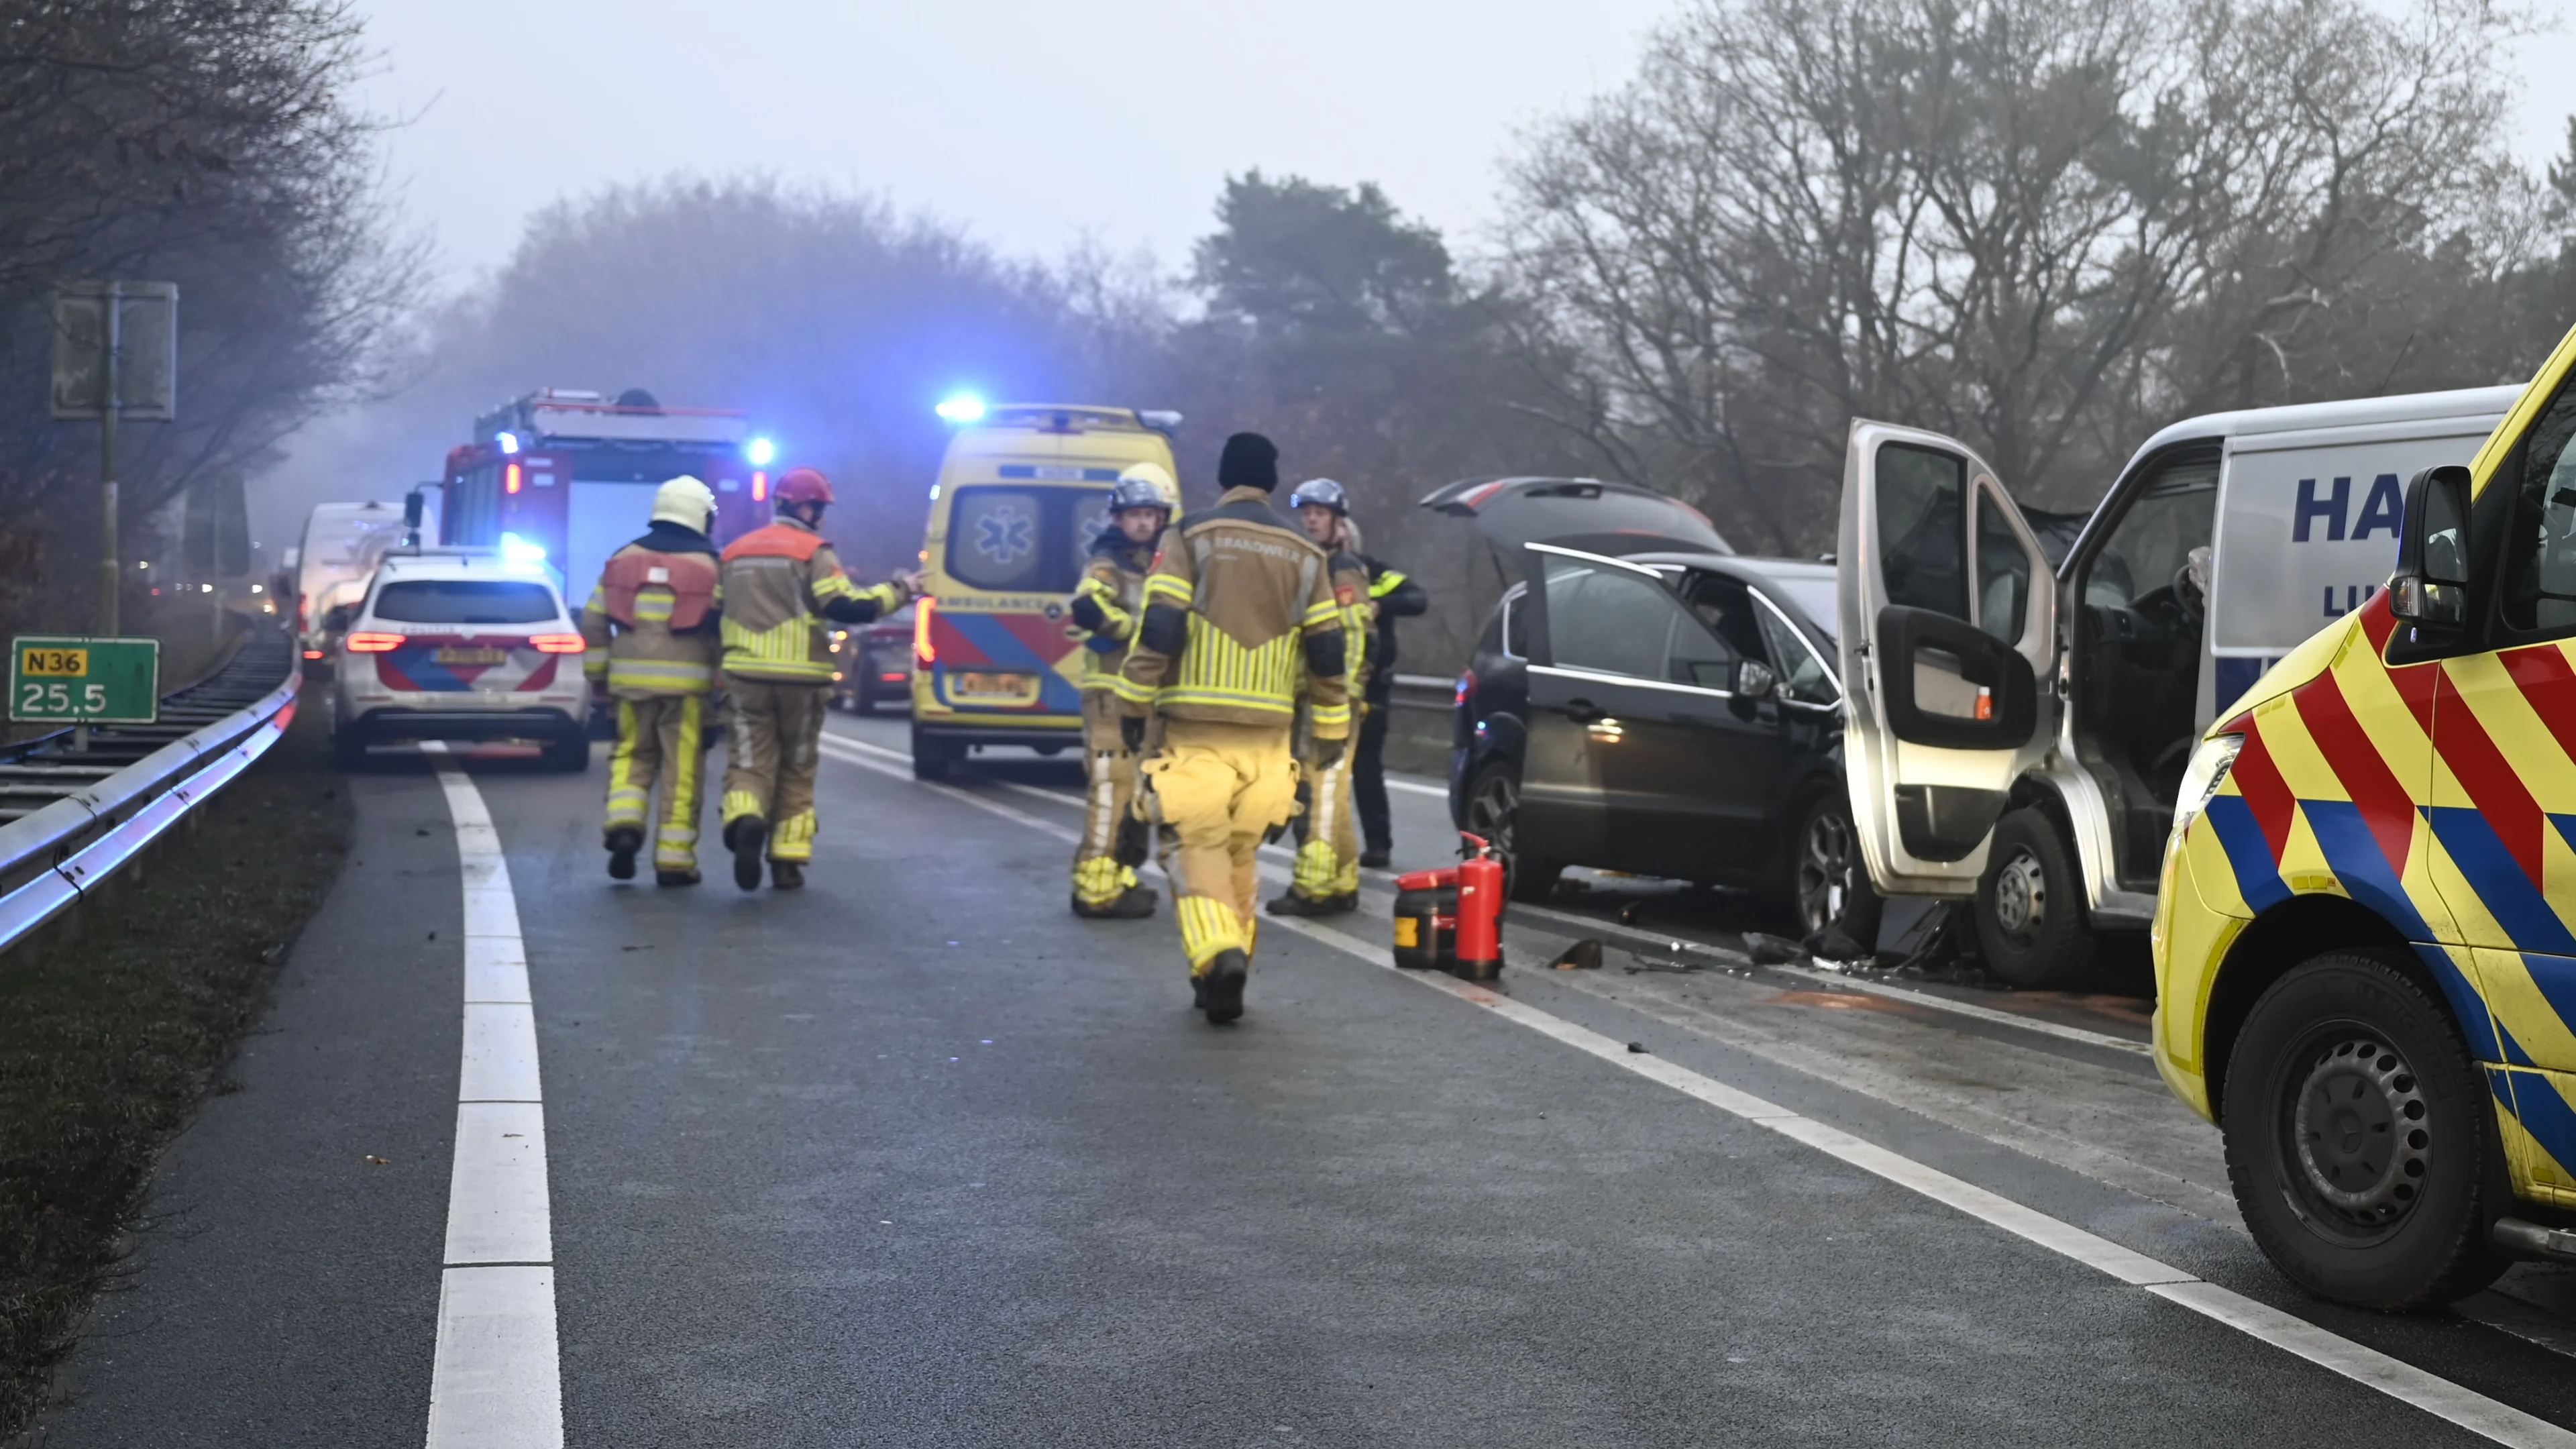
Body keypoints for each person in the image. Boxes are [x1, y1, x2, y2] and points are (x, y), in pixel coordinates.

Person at [1116, 432, 1348, 1024]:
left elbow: (1162, 627)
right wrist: (1331, 729)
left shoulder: (1192, 534)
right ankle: (1225, 970)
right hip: (1270, 740)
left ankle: (1217, 952)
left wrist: (1132, 702)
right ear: (1271, 483)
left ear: (1223, 479)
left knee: (1192, 848)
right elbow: (1328, 651)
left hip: (1196, 731)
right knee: (1241, 853)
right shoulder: (1306, 551)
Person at [716, 466, 918, 891]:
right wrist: (900, 589)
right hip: (802, 680)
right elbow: (846, 607)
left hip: (746, 677)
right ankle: (787, 862)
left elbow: (714, 609)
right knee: (797, 766)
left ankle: (745, 818)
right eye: (820, 508)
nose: (822, 517)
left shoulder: (734, 553)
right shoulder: (815, 552)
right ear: (803, 507)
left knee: (750, 762)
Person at [581, 475, 723, 885]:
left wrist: (599, 673)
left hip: (629, 686)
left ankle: (625, 826)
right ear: (700, 516)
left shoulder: (622, 559)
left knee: (631, 756)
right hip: (688, 692)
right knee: (682, 772)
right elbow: (722, 628)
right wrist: (721, 680)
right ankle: (675, 860)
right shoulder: (711, 568)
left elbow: (592, 619)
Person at [1065, 463, 1176, 918]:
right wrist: (1135, 632)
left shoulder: (1157, 565)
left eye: (1152, 514)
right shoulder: (1107, 562)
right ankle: (1095, 885)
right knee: (1111, 789)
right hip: (1111, 696)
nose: (1144, 523)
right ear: (1117, 519)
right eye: (1135, 515)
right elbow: (1087, 605)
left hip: (1145, 699)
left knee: (1137, 795)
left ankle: (1121, 877)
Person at [1268, 478, 1372, 916]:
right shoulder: (1308, 565)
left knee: (1320, 790)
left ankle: (1312, 889)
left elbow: (1354, 636)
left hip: (1331, 700)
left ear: (1337, 520)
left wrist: (1342, 696)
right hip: (1308, 697)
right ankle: (1343, 880)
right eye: (1306, 512)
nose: (1311, 519)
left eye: (1320, 513)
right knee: (1333, 790)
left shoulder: (1342, 569)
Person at [1349, 515, 1426, 867]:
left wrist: (1382, 605)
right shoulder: (1314, 572)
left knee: (1366, 767)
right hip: (1326, 686)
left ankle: (1378, 844)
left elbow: (1417, 599)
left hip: (1370, 688)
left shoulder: (1377, 574)